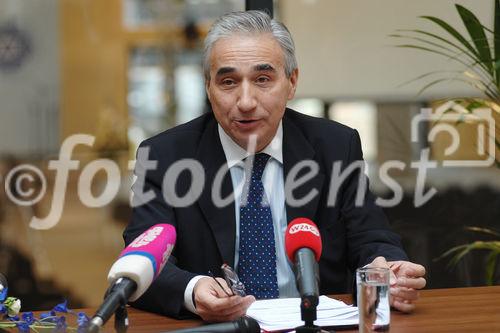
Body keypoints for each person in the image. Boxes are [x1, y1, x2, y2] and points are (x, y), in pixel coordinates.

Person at [124, 10, 426, 322]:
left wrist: (386, 267)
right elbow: (142, 263)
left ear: (291, 82)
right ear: (208, 87)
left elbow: (370, 235)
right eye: (228, 82)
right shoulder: (165, 157)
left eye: (263, 79)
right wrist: (192, 288)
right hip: (221, 327)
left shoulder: (335, 147)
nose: (245, 101)